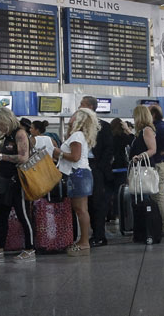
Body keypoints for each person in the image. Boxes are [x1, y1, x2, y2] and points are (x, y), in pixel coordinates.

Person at [0, 107, 34, 264]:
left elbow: (23, 158)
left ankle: (30, 249)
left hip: (17, 181)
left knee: (23, 215)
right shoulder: (6, 136)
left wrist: (1, 156)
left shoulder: (20, 134)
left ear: (6, 120)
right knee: (1, 215)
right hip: (4, 181)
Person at [53, 108, 98, 256]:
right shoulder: (81, 135)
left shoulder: (77, 135)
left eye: (73, 116)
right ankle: (83, 240)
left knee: (81, 209)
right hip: (81, 173)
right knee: (82, 209)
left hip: (77, 174)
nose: (70, 118)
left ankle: (84, 242)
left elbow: (75, 157)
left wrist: (58, 152)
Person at [79, 96, 113, 247]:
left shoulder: (104, 126)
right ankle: (89, 234)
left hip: (96, 167)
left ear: (90, 107)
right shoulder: (79, 126)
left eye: (82, 104)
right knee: (85, 203)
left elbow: (109, 149)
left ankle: (99, 235)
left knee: (97, 202)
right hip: (82, 165)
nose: (79, 107)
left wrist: (99, 167)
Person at [148, 105, 164, 236]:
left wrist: (159, 151)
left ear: (153, 115)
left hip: (159, 164)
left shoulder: (160, 127)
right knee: (156, 195)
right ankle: (160, 224)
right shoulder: (158, 126)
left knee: (158, 195)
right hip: (158, 163)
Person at [107, 118, 135, 221]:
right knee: (119, 193)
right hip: (121, 168)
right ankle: (118, 213)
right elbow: (133, 141)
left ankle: (109, 214)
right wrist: (127, 129)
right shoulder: (122, 136)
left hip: (109, 168)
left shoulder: (108, 136)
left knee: (109, 193)